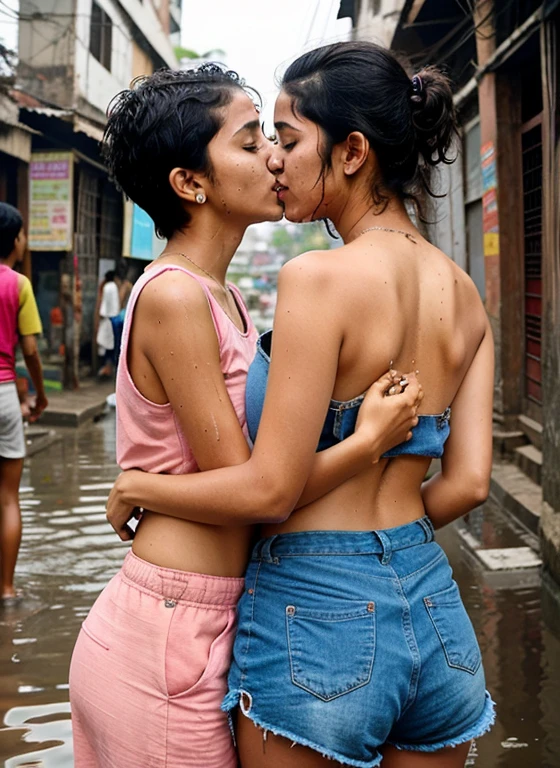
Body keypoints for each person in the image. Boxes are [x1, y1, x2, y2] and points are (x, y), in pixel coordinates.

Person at [107, 42, 496, 768]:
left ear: (351, 153)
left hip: (319, 607)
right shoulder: (467, 296)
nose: (275, 160)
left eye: (286, 140)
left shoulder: (317, 279)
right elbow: (471, 482)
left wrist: (138, 486)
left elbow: (270, 489)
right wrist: (393, 537)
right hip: (436, 606)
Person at [0, 202, 48, 601]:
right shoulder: (18, 285)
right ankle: (7, 588)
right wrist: (38, 393)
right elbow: (29, 350)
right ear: (15, 240)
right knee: (9, 497)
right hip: (3, 397)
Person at [96, 269, 120, 378]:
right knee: (110, 344)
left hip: (108, 319)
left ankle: (107, 367)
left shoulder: (108, 287)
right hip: (113, 318)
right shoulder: (113, 286)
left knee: (106, 345)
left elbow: (105, 305)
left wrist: (102, 313)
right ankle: (108, 368)